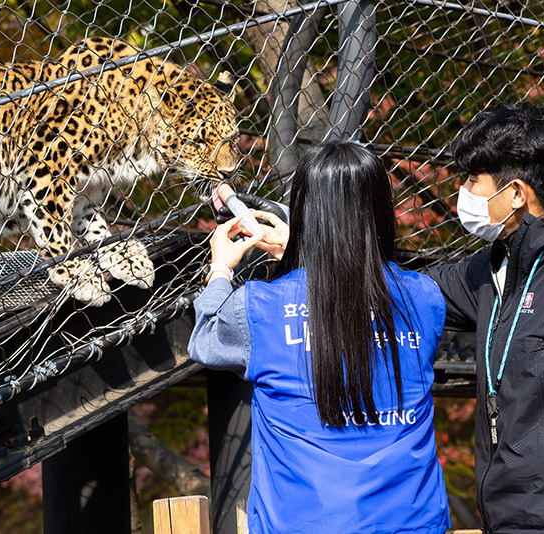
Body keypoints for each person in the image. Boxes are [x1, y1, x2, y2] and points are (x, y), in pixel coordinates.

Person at [188, 141, 450, 533]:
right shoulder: (424, 297)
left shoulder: (260, 306)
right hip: (413, 521)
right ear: (380, 210)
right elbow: (352, 301)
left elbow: (206, 340)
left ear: (306, 212)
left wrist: (221, 271)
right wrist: (309, 255)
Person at [424, 103, 544, 533]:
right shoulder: (491, 270)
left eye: (474, 180)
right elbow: (405, 289)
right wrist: (318, 246)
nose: (465, 192)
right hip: (503, 517)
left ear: (515, 193)